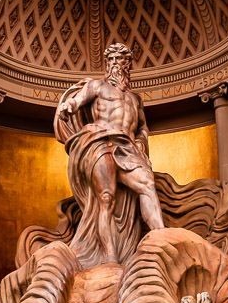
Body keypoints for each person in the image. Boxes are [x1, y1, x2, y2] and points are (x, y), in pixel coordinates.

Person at [55, 42, 163, 265]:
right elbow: (77, 101)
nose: (115, 63)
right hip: (101, 142)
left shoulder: (135, 99)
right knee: (106, 199)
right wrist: (69, 106)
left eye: (119, 59)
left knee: (147, 184)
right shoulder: (97, 87)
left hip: (127, 147)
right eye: (111, 59)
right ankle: (110, 258)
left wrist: (141, 141)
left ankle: (162, 239)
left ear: (128, 63)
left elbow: (142, 127)